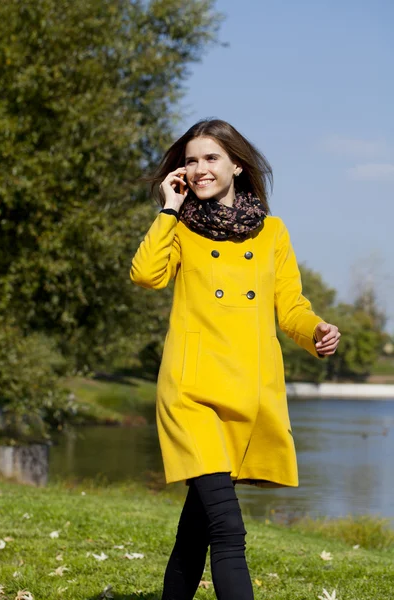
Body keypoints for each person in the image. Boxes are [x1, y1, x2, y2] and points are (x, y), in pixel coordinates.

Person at [130, 118, 341, 600]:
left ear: (237, 165)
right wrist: (168, 208)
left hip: (246, 391)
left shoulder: (272, 233)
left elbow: (291, 308)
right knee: (229, 528)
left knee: (198, 528)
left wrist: (317, 331)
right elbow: (145, 275)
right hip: (192, 392)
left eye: (210, 158)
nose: (198, 168)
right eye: (190, 160)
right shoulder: (180, 228)